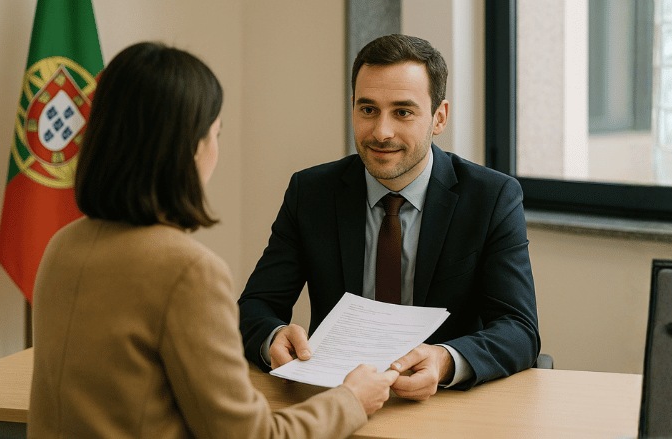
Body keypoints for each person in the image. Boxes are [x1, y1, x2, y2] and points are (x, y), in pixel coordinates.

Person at [27, 41, 399, 438]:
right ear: (189, 149)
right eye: (215, 133)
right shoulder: (188, 271)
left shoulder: (61, 246)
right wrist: (351, 400)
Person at [238, 34, 540, 397]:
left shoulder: (491, 197)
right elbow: (254, 307)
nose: (381, 132)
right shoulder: (311, 192)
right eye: (368, 110)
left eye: (403, 112)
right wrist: (272, 336)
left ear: (439, 117)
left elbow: (519, 328)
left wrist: (446, 359)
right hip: (335, 401)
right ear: (352, 107)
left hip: (441, 404)